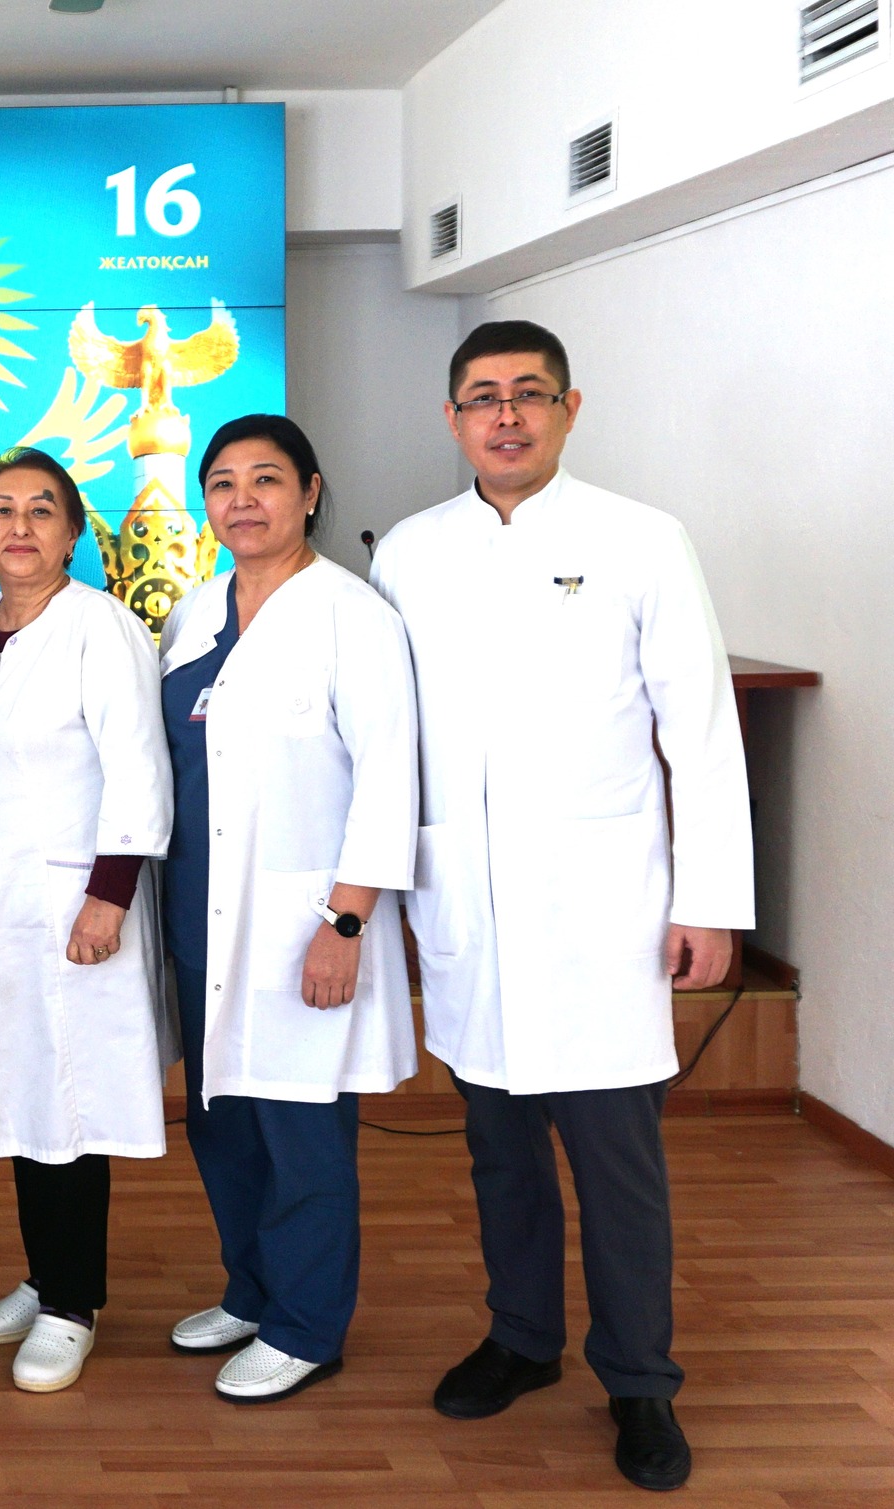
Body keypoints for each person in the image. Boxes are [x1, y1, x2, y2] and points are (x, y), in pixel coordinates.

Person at [369, 321, 753, 1491]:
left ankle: (638, 1380)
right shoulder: (410, 554)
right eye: (481, 397)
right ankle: (522, 1337)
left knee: (614, 1163)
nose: (505, 416)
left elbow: (698, 731)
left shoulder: (638, 539)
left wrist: (708, 902)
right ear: (450, 419)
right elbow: (387, 737)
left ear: (567, 409)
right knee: (497, 1149)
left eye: (527, 394)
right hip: (468, 907)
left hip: (600, 907)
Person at [160, 413, 419, 1405]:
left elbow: (388, 778)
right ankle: (252, 1290)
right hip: (199, 915)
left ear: (309, 492)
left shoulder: (352, 616)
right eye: (222, 483)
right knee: (222, 1122)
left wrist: (345, 922)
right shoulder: (194, 612)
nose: (242, 501)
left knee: (301, 1134)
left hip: (302, 919)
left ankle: (306, 1326)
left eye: (265, 479)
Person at [0, 448, 172, 1393]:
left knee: (70, 1101)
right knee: (25, 1095)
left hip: (75, 909)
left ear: (73, 532)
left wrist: (109, 895)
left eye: (42, 509)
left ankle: (73, 1305)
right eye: (1, 510)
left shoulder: (101, 626)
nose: (19, 525)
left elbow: (139, 768)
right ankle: (44, 1276)